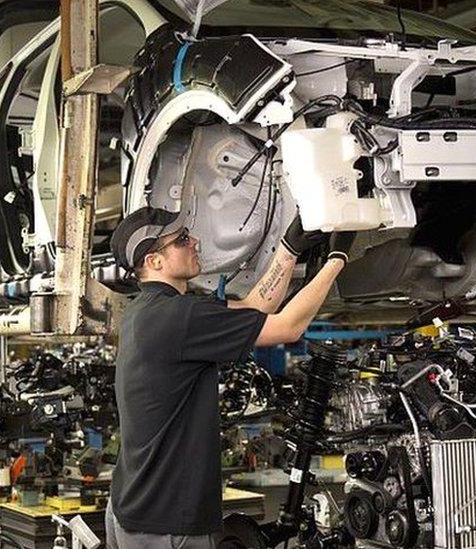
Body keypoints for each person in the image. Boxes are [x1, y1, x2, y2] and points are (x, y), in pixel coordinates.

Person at [105, 207, 352, 549]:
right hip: (167, 523)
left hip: (134, 506)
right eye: (181, 240)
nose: (195, 242)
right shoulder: (178, 317)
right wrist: (337, 260)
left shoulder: (148, 311)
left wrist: (289, 249)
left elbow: (254, 307)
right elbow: (288, 326)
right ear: (155, 262)